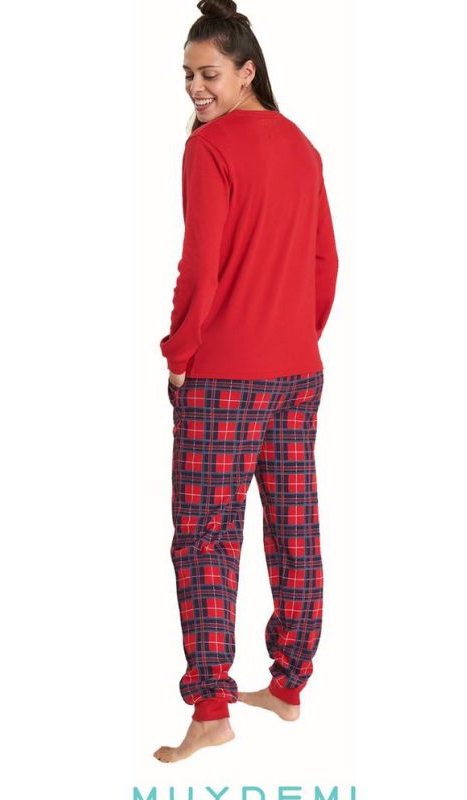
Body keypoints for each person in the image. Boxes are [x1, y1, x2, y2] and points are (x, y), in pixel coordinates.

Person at [154, 0, 339, 763]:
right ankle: (289, 685)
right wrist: (296, 333)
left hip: (224, 376)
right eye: (187, 76)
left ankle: (211, 709)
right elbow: (326, 262)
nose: (196, 88)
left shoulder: (210, 148)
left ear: (246, 71)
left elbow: (201, 265)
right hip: (297, 372)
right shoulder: (300, 144)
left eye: (208, 73)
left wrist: (178, 351)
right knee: (294, 527)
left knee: (206, 536)